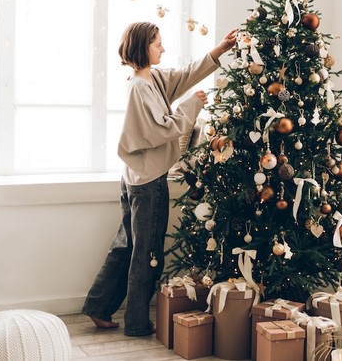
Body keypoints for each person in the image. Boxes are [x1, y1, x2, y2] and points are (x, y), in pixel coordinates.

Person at [82, 22, 237, 335]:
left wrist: (218, 50)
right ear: (143, 47)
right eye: (157, 44)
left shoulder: (150, 79)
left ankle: (99, 307)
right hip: (147, 183)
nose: (162, 49)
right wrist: (193, 104)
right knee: (147, 252)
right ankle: (137, 322)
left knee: (126, 246)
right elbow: (162, 129)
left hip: (135, 178)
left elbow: (183, 76)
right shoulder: (140, 87)